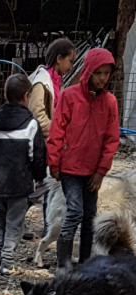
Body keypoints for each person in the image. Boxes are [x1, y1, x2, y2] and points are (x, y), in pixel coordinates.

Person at [47, 48, 120, 272]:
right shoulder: (70, 96)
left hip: (93, 171)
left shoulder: (110, 102)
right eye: (99, 73)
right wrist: (54, 162)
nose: (103, 78)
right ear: (88, 71)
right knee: (75, 212)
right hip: (70, 168)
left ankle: (86, 261)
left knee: (90, 215)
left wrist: (101, 171)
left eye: (107, 73)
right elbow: (57, 130)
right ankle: (63, 263)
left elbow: (112, 139)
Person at [0, 74, 47, 276]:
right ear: (26, 96)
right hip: (20, 184)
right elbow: (38, 155)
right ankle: (7, 261)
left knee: (3, 219)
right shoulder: (31, 125)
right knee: (15, 223)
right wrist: (39, 176)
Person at [27, 37, 76, 236]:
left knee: (48, 186)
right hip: (44, 142)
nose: (72, 65)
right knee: (44, 185)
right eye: (70, 61)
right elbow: (37, 113)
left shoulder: (56, 81)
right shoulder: (42, 82)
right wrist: (57, 133)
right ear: (59, 59)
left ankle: (45, 226)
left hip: (52, 142)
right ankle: (19, 217)